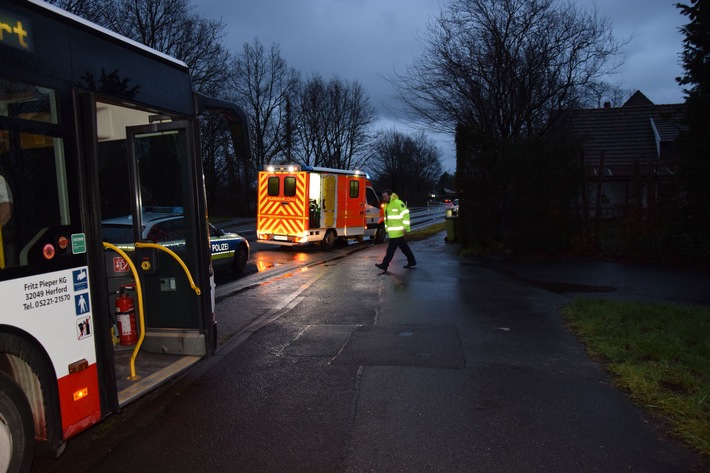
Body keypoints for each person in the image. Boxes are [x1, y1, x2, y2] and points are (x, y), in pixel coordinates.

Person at [375, 189, 417, 272]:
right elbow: (387, 218)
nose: (384, 199)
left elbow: (405, 214)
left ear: (390, 196)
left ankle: (384, 265)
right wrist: (387, 229)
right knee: (404, 248)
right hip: (393, 231)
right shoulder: (387, 205)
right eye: (383, 197)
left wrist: (405, 227)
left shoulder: (398, 203)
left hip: (397, 231)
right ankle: (412, 261)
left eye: (385, 197)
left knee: (390, 249)